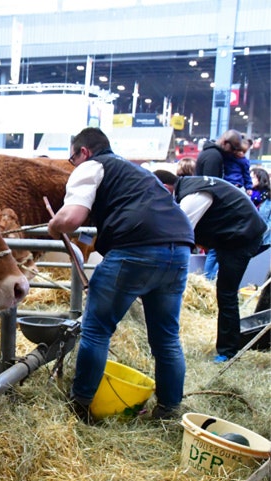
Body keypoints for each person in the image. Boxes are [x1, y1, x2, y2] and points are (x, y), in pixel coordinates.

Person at [48, 128, 194, 423]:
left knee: (96, 330)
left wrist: (54, 226)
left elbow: (72, 217)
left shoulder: (92, 166)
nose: (72, 164)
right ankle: (168, 410)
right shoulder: (136, 172)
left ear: (84, 152)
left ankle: (81, 405)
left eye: (72, 158)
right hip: (178, 250)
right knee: (166, 339)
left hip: (136, 251)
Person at [154, 170, 268, 363]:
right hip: (230, 235)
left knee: (226, 292)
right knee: (225, 291)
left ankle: (229, 351)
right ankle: (228, 345)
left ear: (165, 188)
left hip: (243, 237)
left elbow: (179, 235)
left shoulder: (193, 196)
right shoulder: (190, 187)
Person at [195, 129, 246, 280]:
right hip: (210, 211)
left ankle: (208, 280)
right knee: (217, 250)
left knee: (215, 250)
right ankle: (209, 281)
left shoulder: (212, 154)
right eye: (234, 149)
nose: (234, 153)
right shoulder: (214, 157)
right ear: (225, 143)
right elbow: (211, 187)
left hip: (208, 210)